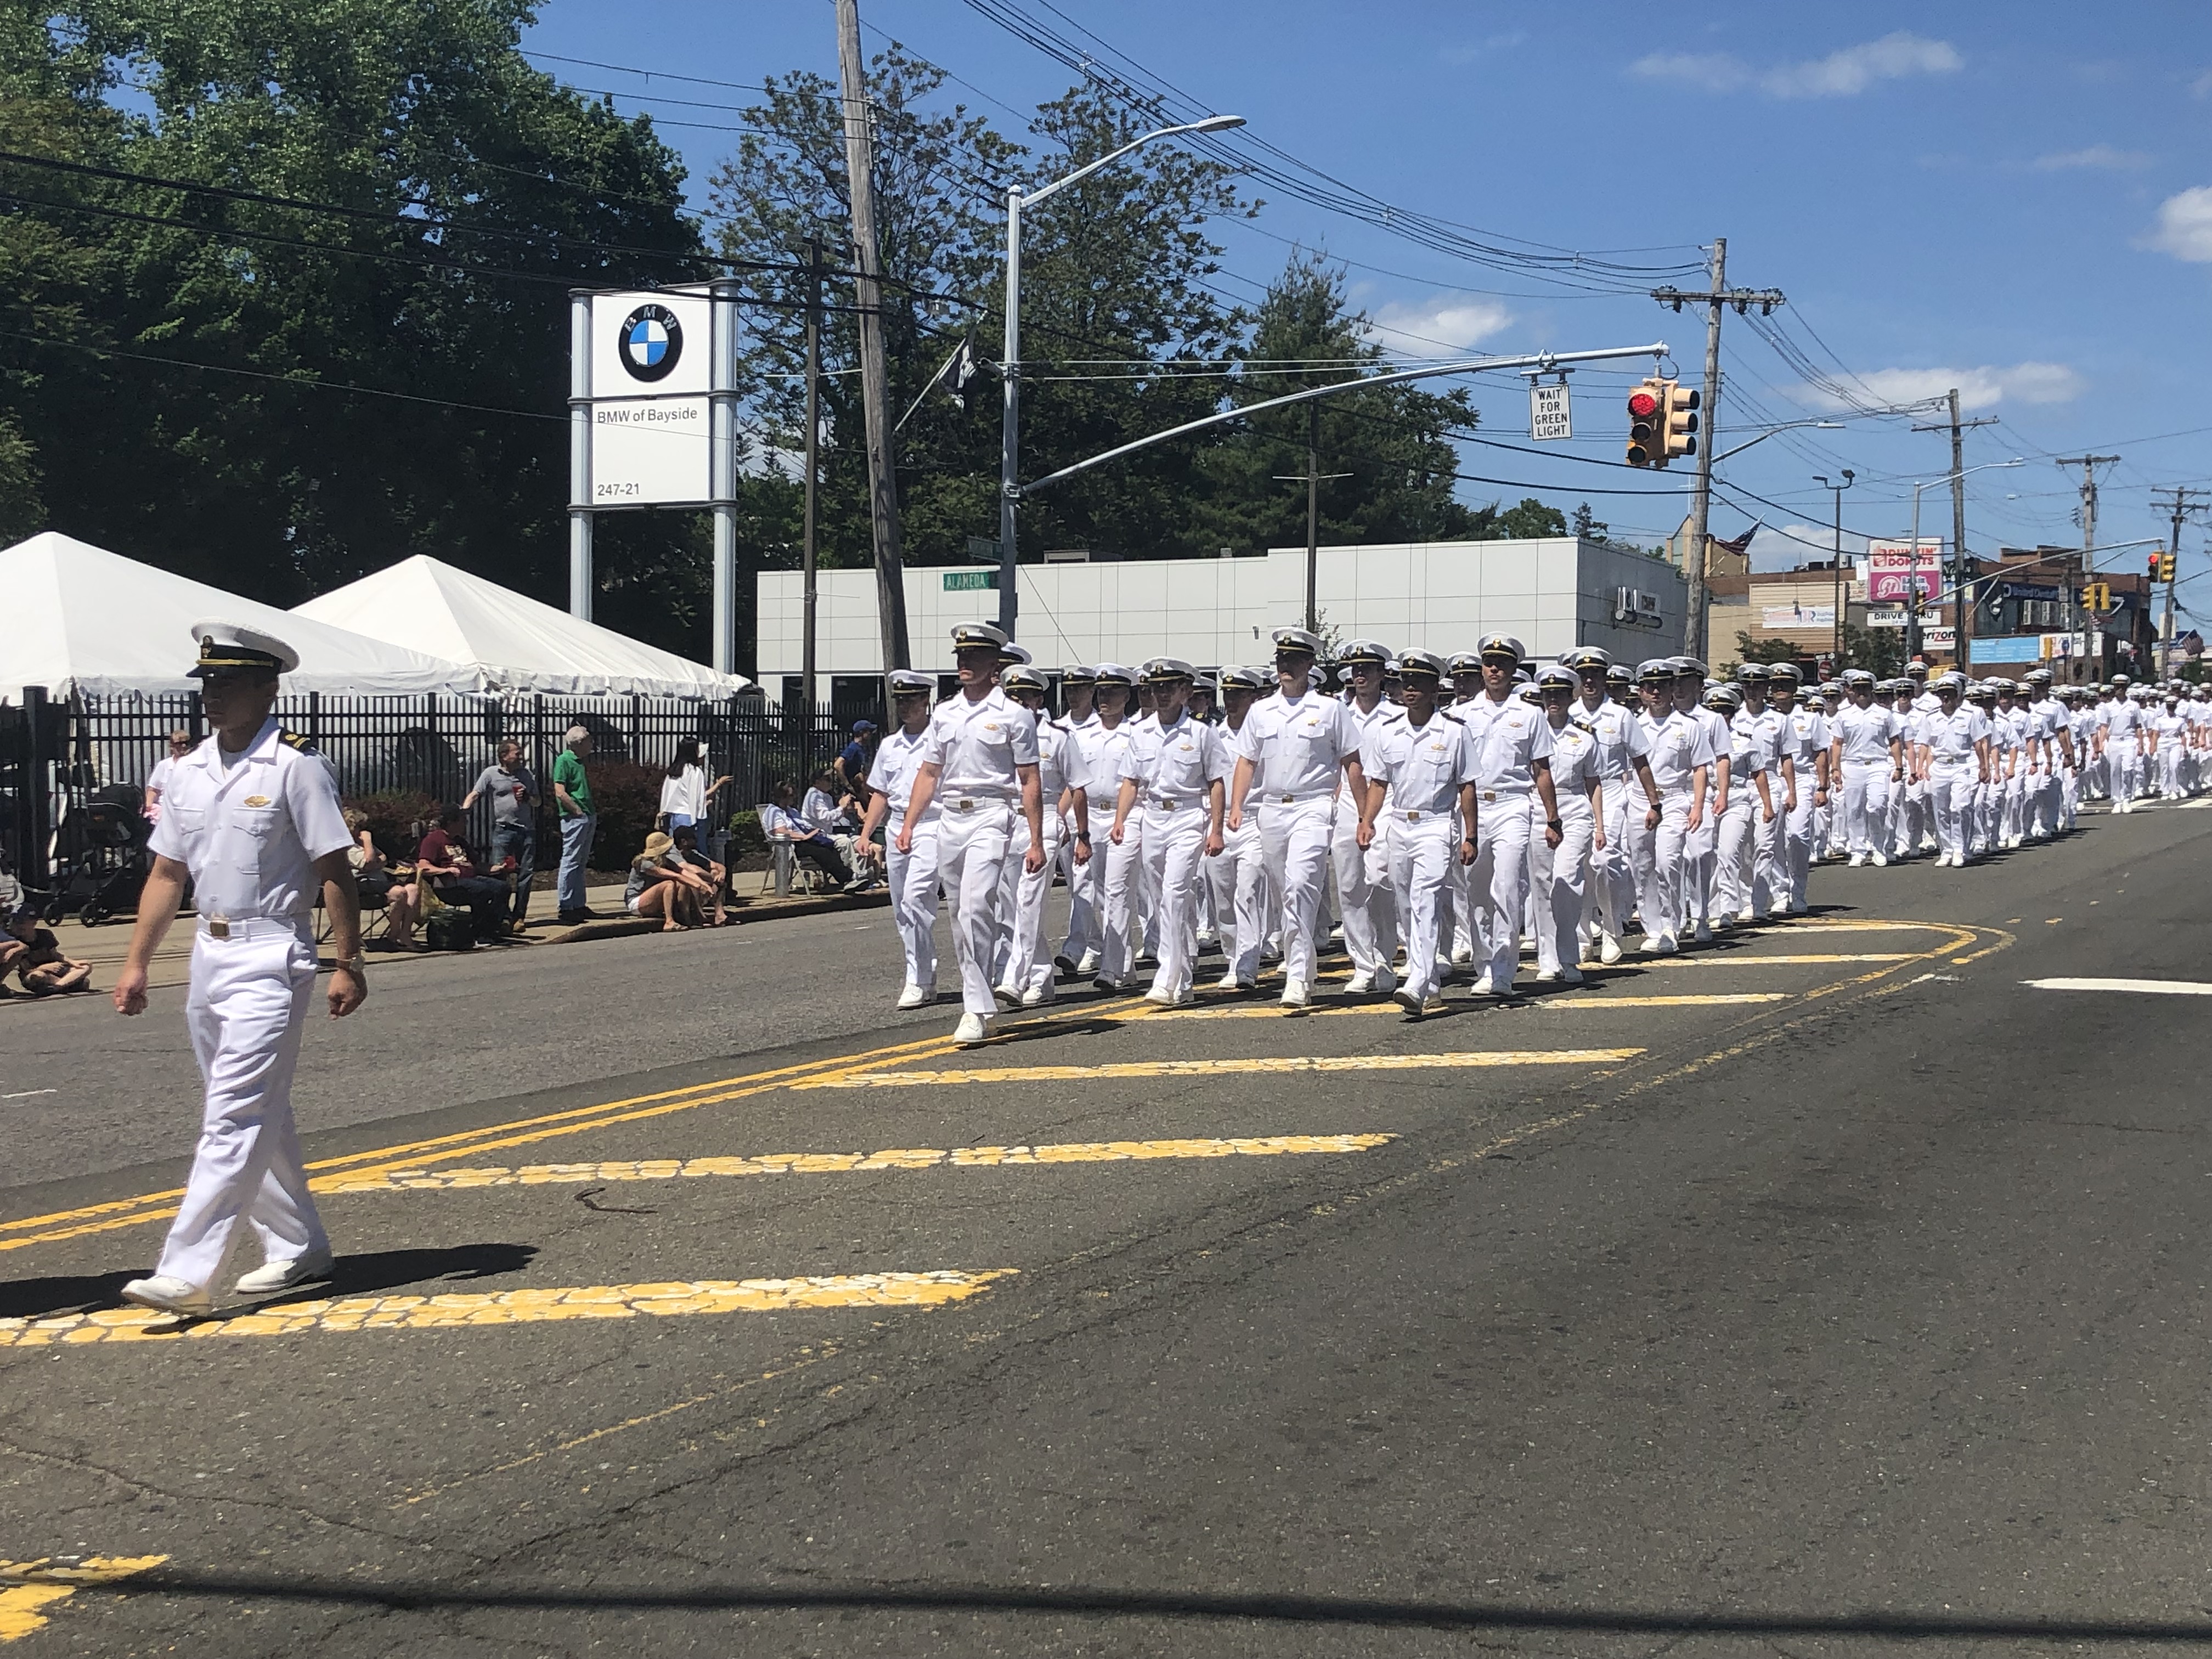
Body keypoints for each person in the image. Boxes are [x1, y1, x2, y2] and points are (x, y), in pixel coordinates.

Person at [112, 620, 364, 1317]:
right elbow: (167, 874)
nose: (212, 696)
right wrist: (137, 963)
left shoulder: (294, 766)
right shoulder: (188, 769)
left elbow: (333, 868)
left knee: (232, 1113)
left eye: (227, 683)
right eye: (207, 683)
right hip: (209, 955)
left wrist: (349, 962)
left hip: (272, 952)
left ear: (267, 688)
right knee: (260, 1110)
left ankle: (187, 1269)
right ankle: (298, 1245)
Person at [899, 621, 1045, 1047]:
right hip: (950, 818)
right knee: (957, 916)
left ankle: (974, 1007)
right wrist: (909, 823)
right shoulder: (944, 713)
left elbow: (1029, 778)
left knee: (977, 905)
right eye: (961, 657)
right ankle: (979, 1002)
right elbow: (929, 773)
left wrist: (1035, 840)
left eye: (974, 657)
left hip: (992, 814)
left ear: (993, 664)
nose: (964, 663)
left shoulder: (1014, 715)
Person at [1226, 626, 1376, 1011]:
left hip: (1313, 806)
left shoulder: (1329, 709)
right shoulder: (1261, 711)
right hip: (1272, 809)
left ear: (1309, 664)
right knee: (1281, 893)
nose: (1285, 667)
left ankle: (1296, 976)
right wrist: (1237, 805)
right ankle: (1301, 966)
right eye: (1281, 660)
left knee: (1300, 885)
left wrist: (1363, 815)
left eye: (1293, 660)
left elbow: (1351, 762)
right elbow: (1246, 761)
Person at [1363, 650, 1477, 1018]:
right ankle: (1430, 986)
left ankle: (1416, 978)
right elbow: (1379, 783)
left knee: (1426, 899)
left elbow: (1467, 786)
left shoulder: (1455, 732)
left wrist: (1470, 835)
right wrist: (1367, 821)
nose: (1410, 689)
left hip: (1436, 823)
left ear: (1434, 690)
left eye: (1419, 683)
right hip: (1399, 823)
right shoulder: (1388, 732)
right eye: (1405, 683)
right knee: (1405, 904)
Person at [1111, 658, 1227, 1008]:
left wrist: (1217, 829)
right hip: (1153, 817)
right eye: (1156, 688)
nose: (1161, 694)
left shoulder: (1202, 733)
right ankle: (1184, 977)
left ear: (1186, 692)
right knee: (1163, 898)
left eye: (1169, 687)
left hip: (1189, 816)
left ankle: (1167, 976)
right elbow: (1131, 781)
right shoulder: (1141, 732)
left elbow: (1217, 782)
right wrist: (1121, 820)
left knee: (1176, 894)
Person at [1455, 633, 1561, 996]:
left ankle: (1503, 971)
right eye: (1488, 663)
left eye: (1502, 663)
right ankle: (1483, 964)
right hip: (1472, 807)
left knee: (1507, 887)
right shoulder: (1461, 714)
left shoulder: (1530, 714)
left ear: (1514, 669)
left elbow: (1542, 770)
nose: (1494, 669)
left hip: (1513, 804)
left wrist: (1552, 817)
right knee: (1475, 891)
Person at [994, 663, 1092, 1008]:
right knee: (1009, 907)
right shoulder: (998, 737)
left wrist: (1082, 835)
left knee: (1030, 901)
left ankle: (1015, 977)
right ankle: (1040, 976)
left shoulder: (1058, 737)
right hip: (1009, 822)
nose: (1020, 703)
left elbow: (1078, 787)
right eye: (1013, 696)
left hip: (1048, 820)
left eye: (1026, 697)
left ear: (1039, 700)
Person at [856, 670, 943, 1008]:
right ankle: (921, 972)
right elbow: (881, 793)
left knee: (917, 897)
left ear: (926, 701)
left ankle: (919, 978)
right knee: (902, 908)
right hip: (896, 826)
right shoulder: (890, 745)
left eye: (911, 700)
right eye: (900, 701)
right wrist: (865, 834)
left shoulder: (938, 741)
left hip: (930, 824)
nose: (905, 707)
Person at [1329, 639, 1406, 998]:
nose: (1361, 676)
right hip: (1346, 801)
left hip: (1386, 799)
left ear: (1380, 674)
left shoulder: (1395, 714)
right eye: (1356, 670)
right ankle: (1363, 964)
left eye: (1367, 670)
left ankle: (1385, 957)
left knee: (1379, 880)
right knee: (1349, 886)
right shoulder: (1337, 712)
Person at [462, 738, 539, 933]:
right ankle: (503, 917)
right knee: (499, 873)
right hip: (503, 829)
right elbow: (476, 793)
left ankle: (519, 915)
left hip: (526, 830)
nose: (521, 757)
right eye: (517, 753)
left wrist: (529, 798)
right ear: (504, 756)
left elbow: (538, 801)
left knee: (525, 873)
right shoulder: (491, 774)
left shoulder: (526, 774)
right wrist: (464, 810)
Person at [417, 807, 509, 935]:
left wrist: (496, 868)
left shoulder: (460, 841)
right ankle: (479, 933)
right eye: (462, 821)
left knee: (502, 888)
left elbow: (476, 865)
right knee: (481, 890)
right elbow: (423, 866)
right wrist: (445, 870)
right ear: (451, 823)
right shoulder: (433, 840)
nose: (466, 824)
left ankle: (493, 927)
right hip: (449, 885)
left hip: (471, 879)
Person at [342, 806, 420, 951]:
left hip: (379, 882)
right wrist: (368, 841)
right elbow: (368, 862)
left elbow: (383, 858)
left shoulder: (364, 846)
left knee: (413, 889)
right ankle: (393, 935)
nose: (362, 830)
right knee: (399, 892)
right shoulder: (348, 847)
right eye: (359, 827)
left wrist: (373, 860)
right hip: (362, 886)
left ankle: (404, 935)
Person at [760, 780, 853, 885]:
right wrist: (804, 837)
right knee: (822, 852)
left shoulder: (792, 811)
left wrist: (815, 831)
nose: (794, 798)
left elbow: (804, 825)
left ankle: (847, 877)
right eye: (791, 795)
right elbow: (780, 831)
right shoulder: (773, 812)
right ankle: (847, 878)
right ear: (781, 797)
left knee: (829, 845)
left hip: (806, 840)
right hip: (790, 844)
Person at [1, 904, 94, 996]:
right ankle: (71, 983)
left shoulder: (45, 934)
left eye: (21, 922)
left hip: (55, 970)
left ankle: (57, 987)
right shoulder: (15, 941)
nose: (17, 925)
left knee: (86, 966)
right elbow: (26, 969)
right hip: (34, 974)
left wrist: (72, 962)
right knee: (38, 976)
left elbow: (55, 954)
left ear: (34, 923)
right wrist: (43, 968)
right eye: (14, 921)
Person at [552, 726, 596, 924]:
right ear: (578, 743)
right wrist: (576, 810)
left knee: (580, 862)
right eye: (588, 741)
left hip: (587, 814)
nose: (591, 744)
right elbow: (560, 791)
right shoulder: (564, 760)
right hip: (575, 817)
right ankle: (566, 905)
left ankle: (579, 904)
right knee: (570, 860)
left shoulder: (579, 762)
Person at [624, 830, 709, 930]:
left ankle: (688, 919)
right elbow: (675, 875)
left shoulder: (666, 861)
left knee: (683, 883)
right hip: (636, 903)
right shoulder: (644, 863)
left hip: (652, 901)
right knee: (669, 884)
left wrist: (705, 885)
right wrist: (698, 886)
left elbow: (683, 872)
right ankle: (669, 922)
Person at [659, 738, 731, 845]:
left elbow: (667, 795)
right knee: (694, 851)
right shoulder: (695, 772)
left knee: (675, 850)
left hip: (673, 816)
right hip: (689, 816)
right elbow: (698, 797)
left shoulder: (673, 771)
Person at [669, 825, 730, 926]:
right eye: (693, 839)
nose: (696, 841)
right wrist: (712, 880)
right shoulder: (673, 854)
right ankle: (699, 916)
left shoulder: (693, 853)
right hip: (678, 889)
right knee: (693, 882)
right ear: (684, 841)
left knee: (715, 872)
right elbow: (692, 870)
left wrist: (722, 874)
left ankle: (720, 915)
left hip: (698, 884)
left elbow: (718, 866)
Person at [143, 729, 194, 825]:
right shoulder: (164, 765)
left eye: (186, 742)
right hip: (165, 812)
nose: (184, 746)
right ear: (172, 746)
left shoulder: (196, 764)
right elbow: (153, 789)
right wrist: (149, 807)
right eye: (180, 743)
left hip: (188, 812)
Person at [836, 721, 879, 805]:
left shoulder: (862, 748)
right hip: (855, 794)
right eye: (869, 732)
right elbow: (838, 765)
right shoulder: (853, 748)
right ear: (861, 733)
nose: (871, 735)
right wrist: (848, 785)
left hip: (862, 792)